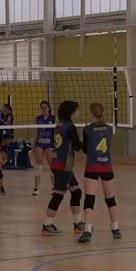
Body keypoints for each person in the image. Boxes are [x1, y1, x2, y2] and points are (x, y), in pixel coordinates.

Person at [78, 102, 120, 243]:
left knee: (90, 199)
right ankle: (115, 229)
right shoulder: (109, 129)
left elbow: (84, 150)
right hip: (106, 166)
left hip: (92, 166)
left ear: (91, 113)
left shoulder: (87, 130)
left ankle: (88, 231)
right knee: (110, 199)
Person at [42, 100, 84, 237]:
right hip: (62, 166)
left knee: (76, 192)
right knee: (58, 195)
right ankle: (47, 225)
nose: (79, 112)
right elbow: (78, 147)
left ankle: (78, 224)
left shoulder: (59, 125)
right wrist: (82, 135)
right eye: (77, 110)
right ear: (72, 112)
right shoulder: (70, 127)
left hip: (60, 164)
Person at [31, 101, 55, 196]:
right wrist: (33, 144)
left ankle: (54, 187)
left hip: (50, 144)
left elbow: (56, 132)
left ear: (49, 108)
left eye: (45, 107)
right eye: (42, 108)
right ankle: (36, 188)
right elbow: (35, 132)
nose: (44, 109)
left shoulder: (53, 119)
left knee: (52, 165)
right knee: (38, 166)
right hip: (40, 144)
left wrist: (57, 145)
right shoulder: (38, 119)